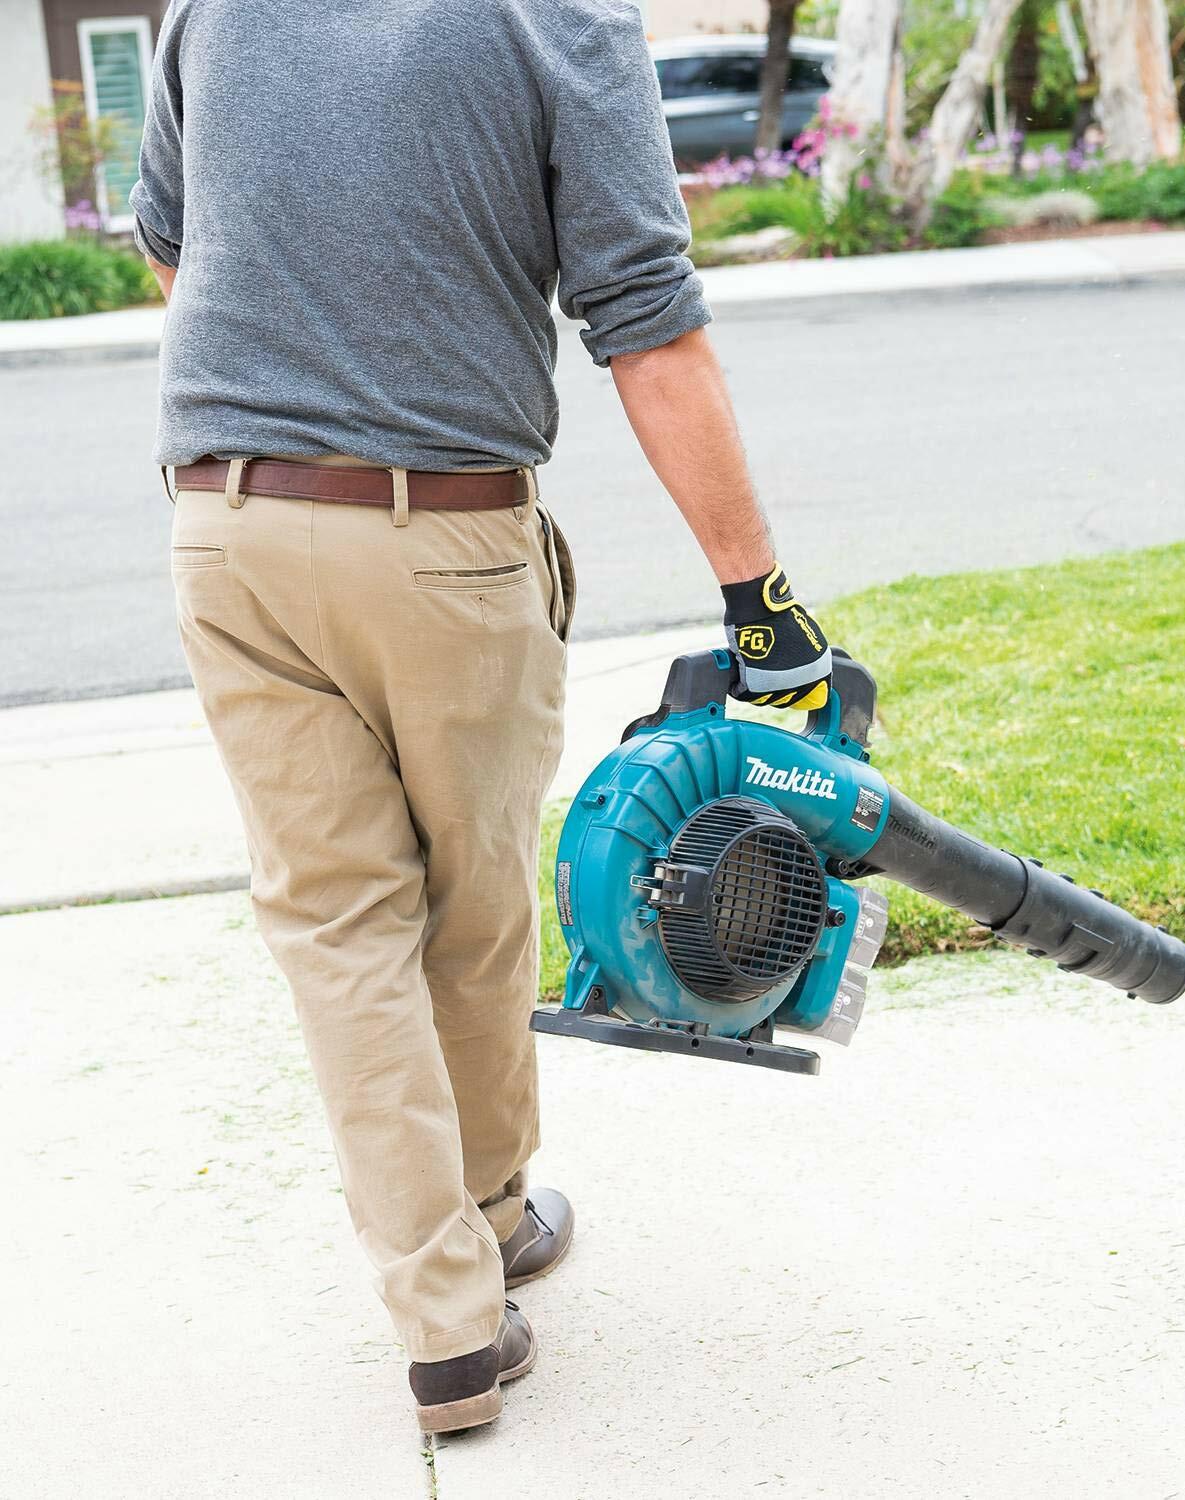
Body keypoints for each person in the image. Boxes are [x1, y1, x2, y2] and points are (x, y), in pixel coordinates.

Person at [131, 0, 832, 1435]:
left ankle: (449, 1323)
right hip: (440, 536)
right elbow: (647, 323)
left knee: (338, 926)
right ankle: (492, 1217)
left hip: (225, 527)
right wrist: (757, 596)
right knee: (473, 900)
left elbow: (172, 247)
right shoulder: (555, 15)